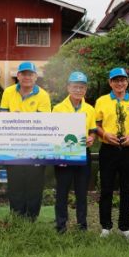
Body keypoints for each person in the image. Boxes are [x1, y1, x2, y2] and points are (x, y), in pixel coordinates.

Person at [94, 67, 129, 239]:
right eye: (116, 80)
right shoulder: (101, 101)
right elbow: (96, 125)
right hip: (108, 149)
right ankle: (106, 226)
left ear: (127, 82)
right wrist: (104, 135)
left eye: (122, 80)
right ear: (110, 82)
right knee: (106, 188)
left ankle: (124, 226)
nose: (119, 83)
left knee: (127, 189)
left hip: (128, 148)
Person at [0, 61, 52, 220]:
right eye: (24, 74)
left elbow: (44, 123)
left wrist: (20, 118)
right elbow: (2, 118)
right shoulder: (8, 92)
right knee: (15, 184)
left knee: (34, 185)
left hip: (35, 148)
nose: (27, 77)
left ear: (35, 77)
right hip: (13, 146)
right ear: (18, 76)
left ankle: (31, 219)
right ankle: (17, 218)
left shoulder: (43, 95)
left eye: (30, 74)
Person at [52, 71, 97, 233]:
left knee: (81, 191)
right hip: (64, 155)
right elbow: (54, 132)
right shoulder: (58, 108)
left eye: (82, 87)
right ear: (68, 88)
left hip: (83, 154)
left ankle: (82, 225)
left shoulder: (90, 109)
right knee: (62, 191)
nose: (78, 90)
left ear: (85, 89)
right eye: (75, 86)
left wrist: (91, 138)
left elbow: (93, 130)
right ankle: (61, 225)